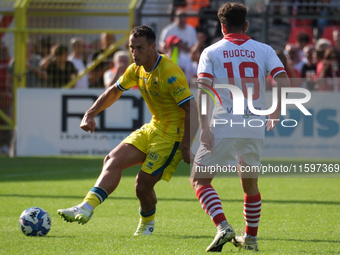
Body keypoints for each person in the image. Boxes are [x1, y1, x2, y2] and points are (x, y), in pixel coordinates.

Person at [57, 25, 198, 235]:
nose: (135, 53)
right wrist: (90, 113)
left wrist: (186, 145)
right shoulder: (136, 68)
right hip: (154, 126)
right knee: (112, 159)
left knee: (142, 186)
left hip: (173, 136)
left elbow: (192, 110)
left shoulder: (169, 72)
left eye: (140, 48)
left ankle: (147, 225)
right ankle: (86, 207)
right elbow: (114, 91)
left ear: (153, 47)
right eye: (132, 48)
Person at [190, 3, 290, 252]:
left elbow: (203, 90)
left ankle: (223, 226)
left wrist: (204, 127)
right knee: (250, 183)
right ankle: (251, 239)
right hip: (254, 124)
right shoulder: (264, 49)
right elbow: (283, 79)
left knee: (199, 180)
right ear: (246, 25)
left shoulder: (211, 51)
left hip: (225, 122)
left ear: (222, 27)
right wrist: (276, 110)